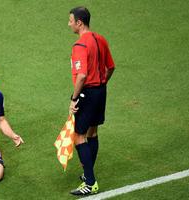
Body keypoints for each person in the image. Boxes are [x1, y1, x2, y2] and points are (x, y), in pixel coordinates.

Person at [67, 7, 115, 195]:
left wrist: (74, 98)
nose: (69, 23)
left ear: (79, 22)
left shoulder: (80, 45)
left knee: (79, 135)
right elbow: (110, 67)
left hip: (87, 93)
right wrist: (101, 85)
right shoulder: (100, 39)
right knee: (92, 133)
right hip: (101, 91)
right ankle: (89, 175)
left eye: (71, 20)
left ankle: (90, 182)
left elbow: (81, 75)